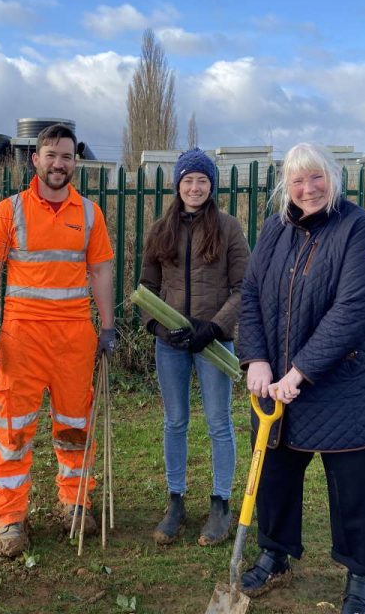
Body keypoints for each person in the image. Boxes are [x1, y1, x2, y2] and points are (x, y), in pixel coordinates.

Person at [238, 142, 365, 614]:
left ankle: (360, 575)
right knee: (274, 475)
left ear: (334, 179)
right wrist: (257, 360)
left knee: (353, 487)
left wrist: (301, 370)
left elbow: (354, 309)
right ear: (285, 187)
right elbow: (250, 294)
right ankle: (274, 554)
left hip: (347, 387)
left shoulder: (359, 228)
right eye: (297, 181)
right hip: (278, 386)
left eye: (317, 178)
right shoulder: (274, 230)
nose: (308, 189)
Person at [0, 123, 115, 558]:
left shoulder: (90, 214)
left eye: (67, 156)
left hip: (75, 337)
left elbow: (100, 272)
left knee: (75, 427)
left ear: (76, 162)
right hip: (22, 338)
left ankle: (75, 502)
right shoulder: (8, 211)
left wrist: (108, 328)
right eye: (51, 155)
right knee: (13, 430)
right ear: (35, 160)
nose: (59, 163)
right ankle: (9, 516)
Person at [139, 148, 250, 546]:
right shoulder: (159, 231)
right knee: (175, 422)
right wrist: (158, 327)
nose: (195, 187)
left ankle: (220, 504)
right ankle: (176, 501)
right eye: (188, 180)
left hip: (214, 344)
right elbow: (146, 289)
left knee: (219, 423)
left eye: (202, 180)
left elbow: (243, 289)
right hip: (171, 344)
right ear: (177, 185)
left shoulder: (229, 228)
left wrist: (215, 327)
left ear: (211, 185)